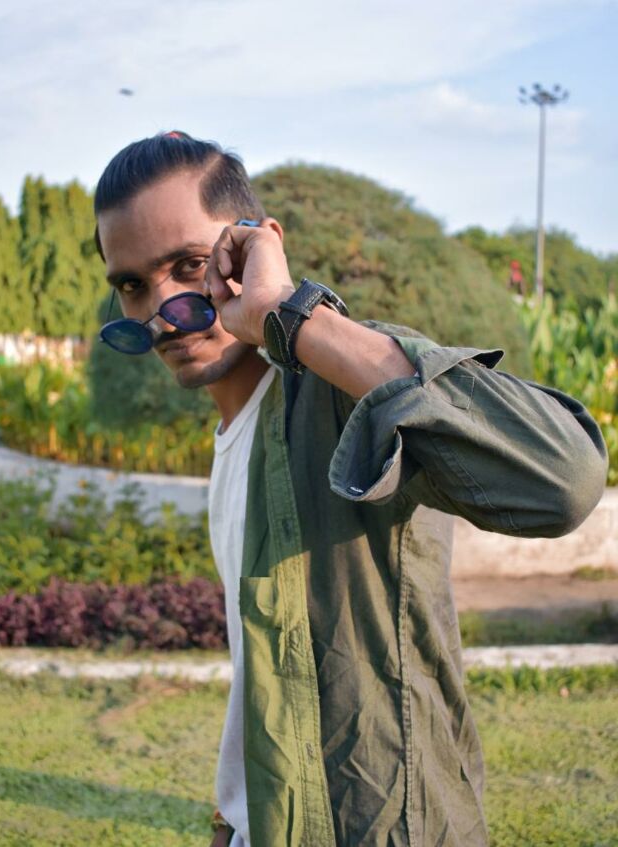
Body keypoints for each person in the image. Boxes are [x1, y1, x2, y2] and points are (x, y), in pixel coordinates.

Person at [93, 131, 607, 847]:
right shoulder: (238, 434)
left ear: (256, 246)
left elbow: (564, 476)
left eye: (189, 266)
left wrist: (288, 313)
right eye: (132, 286)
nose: (163, 313)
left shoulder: (342, 387)